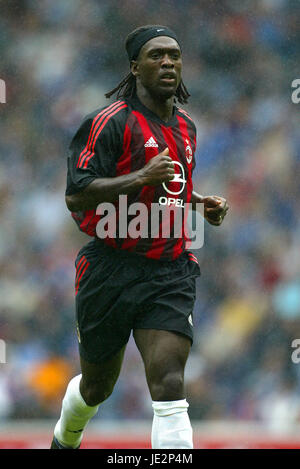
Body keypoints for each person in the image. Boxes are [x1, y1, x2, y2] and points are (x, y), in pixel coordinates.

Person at [51, 24, 229, 450]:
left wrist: (200, 202)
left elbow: (169, 186)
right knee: (97, 388)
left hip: (169, 270)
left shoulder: (187, 127)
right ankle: (64, 439)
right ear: (135, 67)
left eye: (174, 55)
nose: (168, 62)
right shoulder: (110, 122)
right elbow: (77, 194)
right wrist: (141, 177)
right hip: (110, 268)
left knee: (169, 383)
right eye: (156, 55)